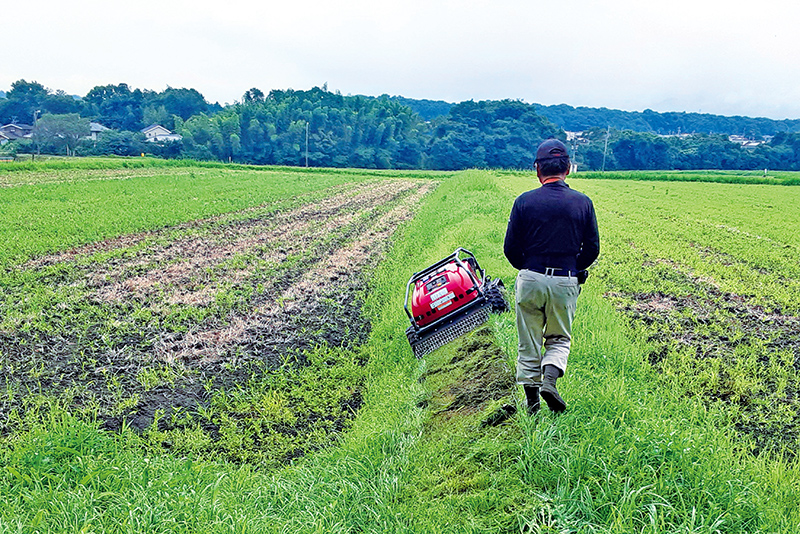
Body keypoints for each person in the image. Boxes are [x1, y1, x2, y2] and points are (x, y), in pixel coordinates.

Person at [503, 139, 599, 414]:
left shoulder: (524, 202)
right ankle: (550, 382)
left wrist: (529, 267)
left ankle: (532, 403)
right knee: (559, 338)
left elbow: (510, 248)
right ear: (567, 169)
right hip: (566, 279)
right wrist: (571, 269)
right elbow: (592, 248)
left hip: (531, 277)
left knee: (528, 340)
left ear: (537, 169)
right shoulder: (583, 203)